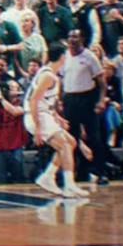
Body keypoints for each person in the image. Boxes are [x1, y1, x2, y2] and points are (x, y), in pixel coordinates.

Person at [24, 43, 89, 198]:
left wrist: (57, 118)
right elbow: (33, 100)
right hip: (36, 116)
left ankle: (48, 176)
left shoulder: (53, 76)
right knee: (65, 146)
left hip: (44, 115)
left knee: (71, 142)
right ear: (61, 56)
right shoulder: (47, 76)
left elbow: (46, 102)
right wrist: (38, 128)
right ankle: (69, 185)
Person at [61, 30, 109, 185]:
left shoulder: (90, 56)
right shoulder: (65, 56)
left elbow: (101, 81)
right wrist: (58, 99)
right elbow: (61, 79)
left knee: (94, 137)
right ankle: (76, 173)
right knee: (71, 138)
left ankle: (101, 172)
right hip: (69, 98)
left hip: (86, 98)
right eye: (70, 37)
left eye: (75, 37)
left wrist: (101, 100)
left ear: (81, 39)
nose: (72, 40)